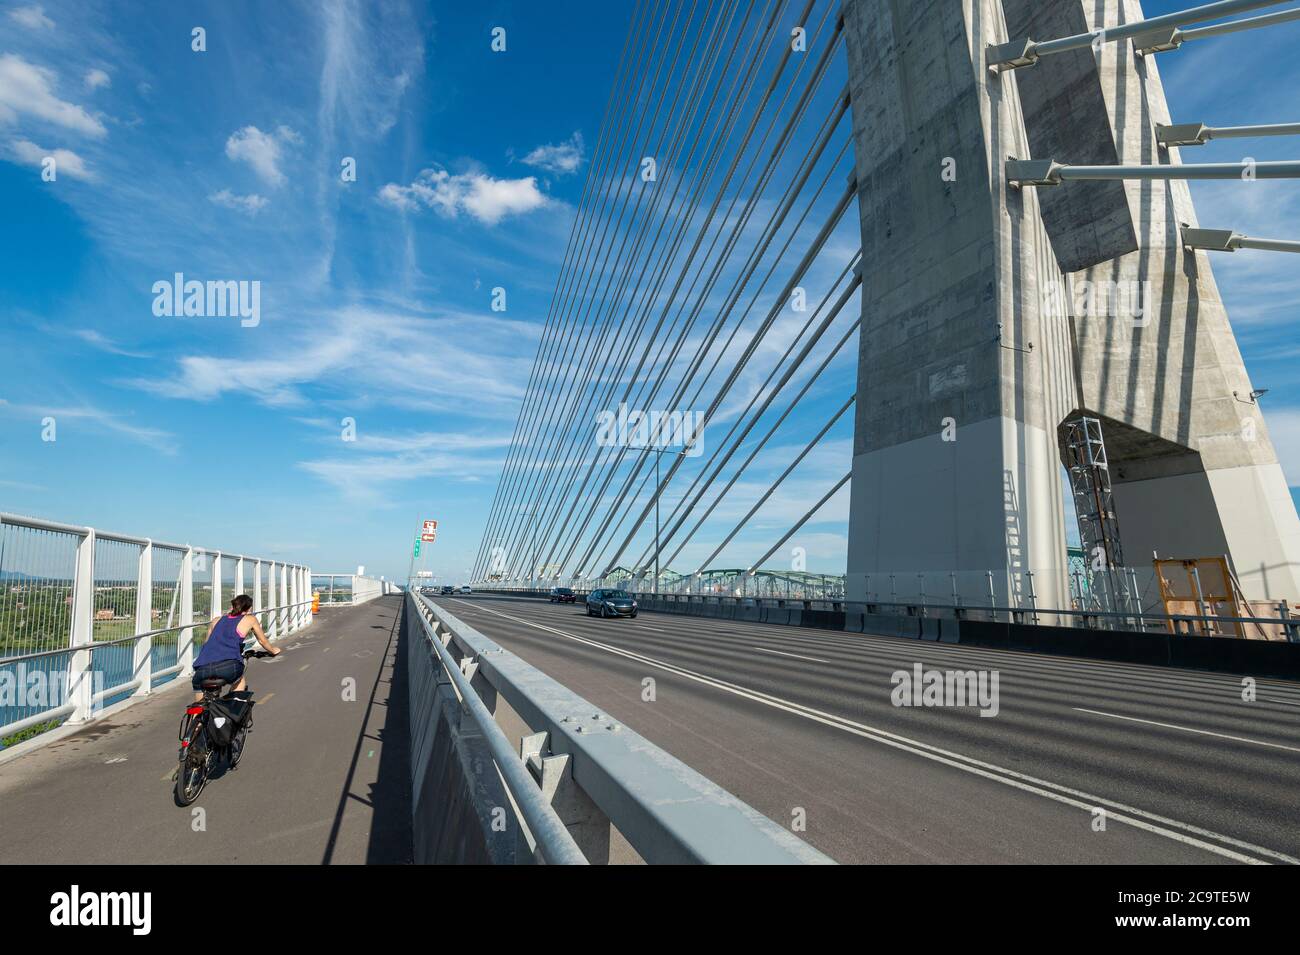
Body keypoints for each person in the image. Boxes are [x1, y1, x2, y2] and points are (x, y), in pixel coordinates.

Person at [192, 594, 280, 701]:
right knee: (240, 681)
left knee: (199, 704)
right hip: (228, 666)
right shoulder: (250, 619)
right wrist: (273, 650)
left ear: (233, 606)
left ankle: (196, 716)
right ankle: (230, 709)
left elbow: (206, 643)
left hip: (202, 668)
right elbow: (262, 641)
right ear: (249, 608)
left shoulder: (215, 620)